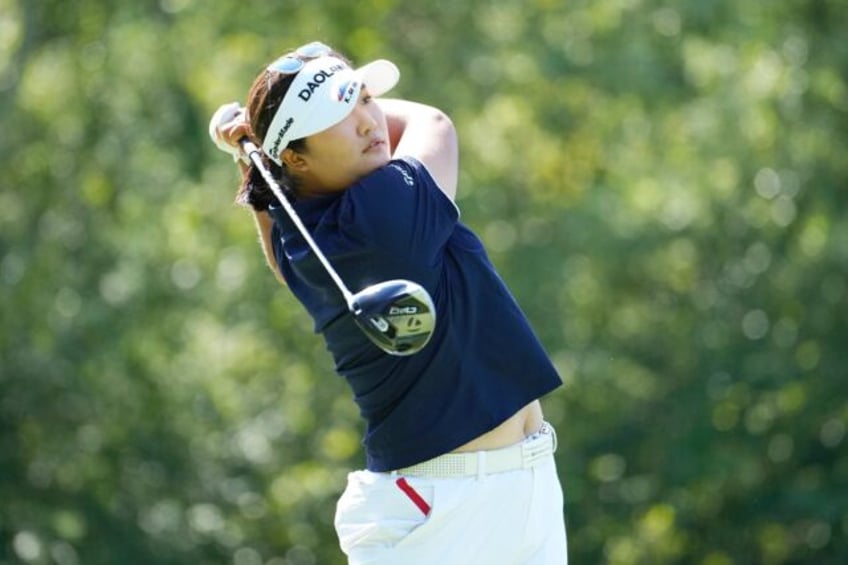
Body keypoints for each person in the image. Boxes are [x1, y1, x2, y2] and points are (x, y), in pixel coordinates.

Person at [209, 40, 568, 564]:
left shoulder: (303, 233)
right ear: (295, 158)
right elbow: (433, 122)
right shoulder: (383, 217)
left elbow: (277, 216)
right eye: (336, 113)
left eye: (362, 99)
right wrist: (257, 142)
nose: (366, 122)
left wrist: (258, 149)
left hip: (510, 486)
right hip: (444, 509)